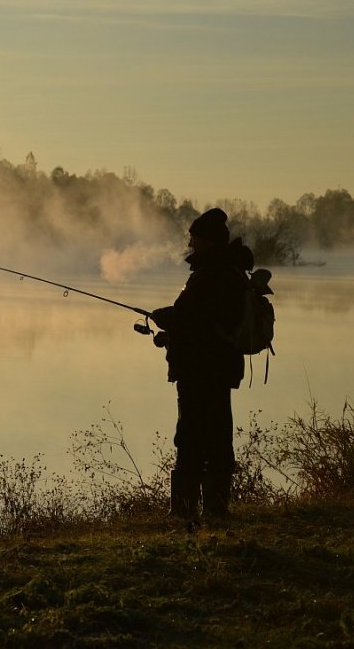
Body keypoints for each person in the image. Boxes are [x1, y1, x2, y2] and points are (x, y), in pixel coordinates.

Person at [151, 207, 252, 524]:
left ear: (207, 241)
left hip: (201, 372)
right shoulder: (228, 272)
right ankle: (215, 510)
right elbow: (202, 325)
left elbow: (191, 319)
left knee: (191, 439)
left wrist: (165, 318)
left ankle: (184, 512)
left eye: (194, 237)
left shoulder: (211, 276)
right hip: (217, 370)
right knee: (218, 436)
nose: (190, 243)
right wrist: (171, 334)